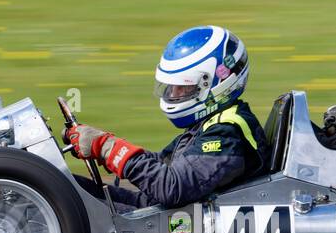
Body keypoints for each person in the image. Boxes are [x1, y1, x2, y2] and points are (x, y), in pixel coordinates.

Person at [65, 25, 268, 210]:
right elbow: (164, 164)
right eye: (172, 86)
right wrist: (105, 151)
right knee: (69, 187)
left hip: (188, 232)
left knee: (73, 209)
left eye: (184, 87)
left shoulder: (226, 133)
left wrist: (109, 148)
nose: (173, 94)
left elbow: (171, 187)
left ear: (214, 84)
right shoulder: (209, 124)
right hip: (167, 215)